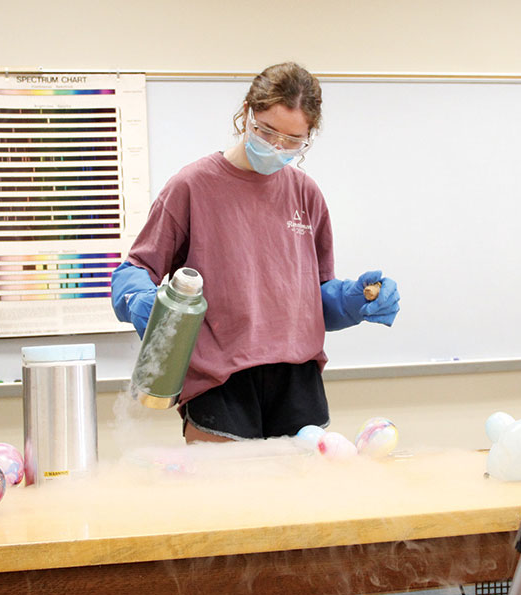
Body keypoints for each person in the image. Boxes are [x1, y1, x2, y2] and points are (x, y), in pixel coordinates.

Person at [111, 62, 400, 443]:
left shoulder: (305, 193)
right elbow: (135, 270)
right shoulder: (192, 187)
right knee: (227, 500)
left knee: (301, 501)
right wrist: (140, 300)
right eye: (266, 131)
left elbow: (313, 295)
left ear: (309, 136)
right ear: (247, 113)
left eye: (293, 141)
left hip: (297, 382)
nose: (277, 147)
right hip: (221, 381)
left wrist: (350, 301)